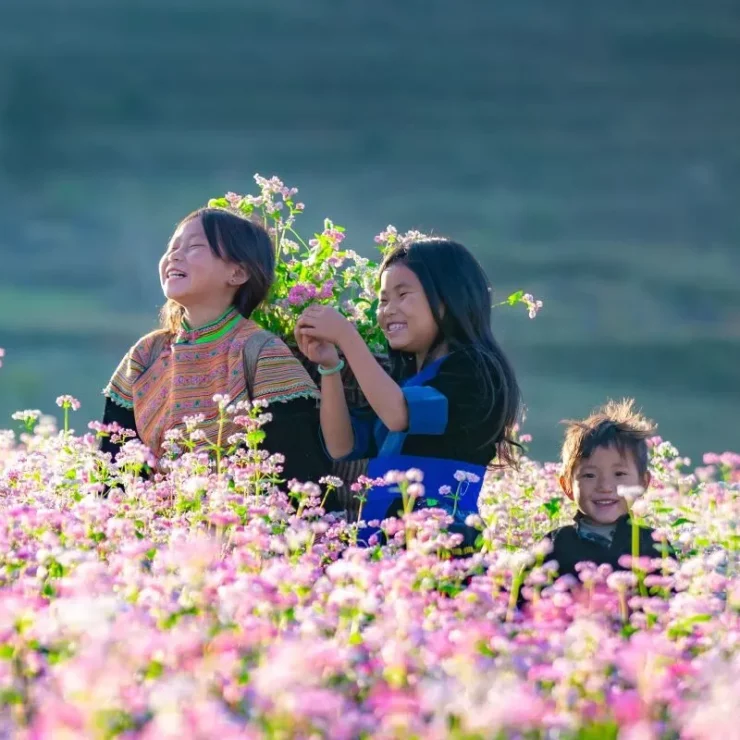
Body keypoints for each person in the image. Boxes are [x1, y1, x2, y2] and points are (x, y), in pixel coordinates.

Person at [295, 237, 521, 554]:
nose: (388, 310)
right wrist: (330, 367)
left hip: (442, 541)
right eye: (383, 300)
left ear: (447, 299)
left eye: (403, 295)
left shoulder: (474, 370)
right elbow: (341, 446)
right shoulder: (401, 384)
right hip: (380, 541)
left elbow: (400, 415)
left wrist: (347, 336)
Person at [101, 207, 332, 490]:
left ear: (237, 273)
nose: (174, 255)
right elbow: (112, 471)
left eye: (195, 246)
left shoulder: (263, 353)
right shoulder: (145, 355)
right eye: (172, 247)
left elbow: (296, 473)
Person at [544, 399, 669, 578]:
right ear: (567, 486)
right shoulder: (555, 544)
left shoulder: (655, 545)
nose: (604, 487)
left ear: (643, 483)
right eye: (589, 475)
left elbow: (672, 601)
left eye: (619, 474)